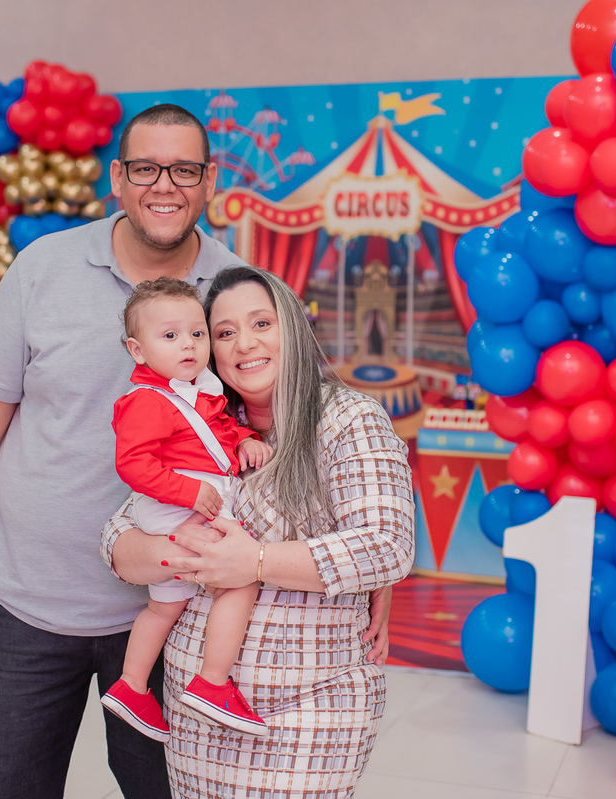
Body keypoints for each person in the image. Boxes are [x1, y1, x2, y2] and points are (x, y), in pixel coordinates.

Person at [0, 103, 248, 799]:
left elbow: (285, 433)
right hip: (19, 606)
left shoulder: (238, 292)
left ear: (210, 180)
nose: (166, 185)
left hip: (177, 610)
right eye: (147, 168)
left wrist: (367, 578)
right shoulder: (44, 268)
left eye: (185, 169)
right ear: (118, 179)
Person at [103, 265, 414, 798]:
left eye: (261, 323)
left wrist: (257, 563)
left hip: (311, 705)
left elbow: (387, 546)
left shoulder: (348, 419)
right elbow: (117, 541)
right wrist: (173, 552)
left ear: (291, 327)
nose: (244, 343)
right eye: (223, 332)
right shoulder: (203, 427)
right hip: (196, 712)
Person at [102, 277, 273, 741]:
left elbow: (215, 431)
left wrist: (244, 439)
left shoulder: (200, 389)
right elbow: (133, 464)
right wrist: (187, 492)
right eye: (171, 336)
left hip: (185, 503)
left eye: (198, 334)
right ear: (137, 351)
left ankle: (132, 685)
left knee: (165, 605)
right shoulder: (147, 400)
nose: (189, 346)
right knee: (240, 579)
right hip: (175, 506)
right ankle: (213, 681)